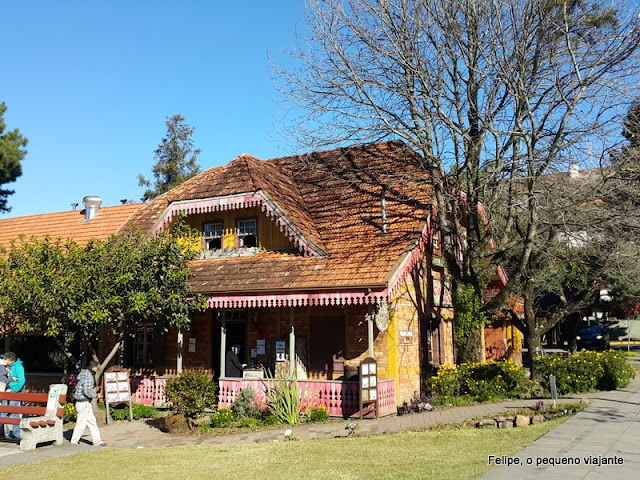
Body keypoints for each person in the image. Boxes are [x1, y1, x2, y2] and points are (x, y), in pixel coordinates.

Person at [70, 361, 107, 446]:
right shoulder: (89, 376)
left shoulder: (84, 373)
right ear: (93, 367)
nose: (98, 369)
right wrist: (95, 395)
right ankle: (74, 441)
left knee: (92, 421)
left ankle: (97, 440)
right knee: (81, 423)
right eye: (97, 367)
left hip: (84, 402)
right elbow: (86, 390)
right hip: (83, 402)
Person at [2, 352, 25, 439]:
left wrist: (14, 389)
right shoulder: (9, 367)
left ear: (9, 360)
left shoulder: (18, 367)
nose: (3, 361)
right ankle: (8, 432)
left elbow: (22, 380)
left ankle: (16, 434)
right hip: (7, 391)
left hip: (14, 392)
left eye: (5, 360)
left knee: (13, 412)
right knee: (5, 412)